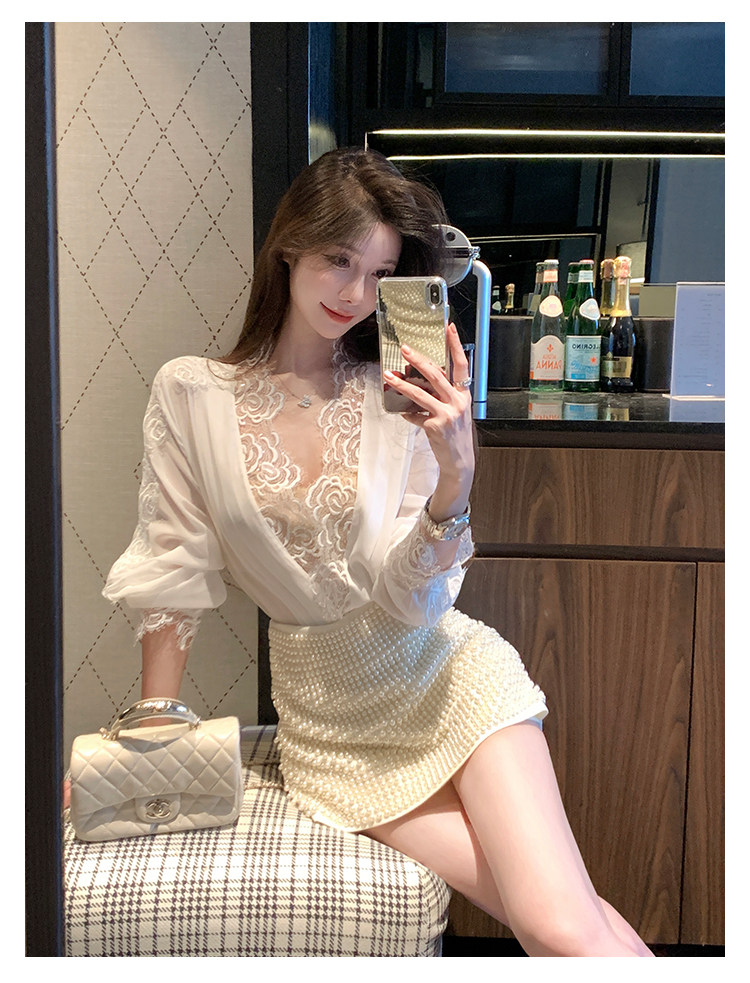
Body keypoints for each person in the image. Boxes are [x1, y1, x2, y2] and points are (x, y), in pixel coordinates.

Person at [102, 147, 653, 957]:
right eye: (339, 259)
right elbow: (170, 569)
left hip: (449, 679)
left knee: (556, 923)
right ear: (290, 245)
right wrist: (153, 736)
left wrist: (456, 476)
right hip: (331, 731)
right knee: (574, 920)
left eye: (381, 273)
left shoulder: (394, 397)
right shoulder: (190, 392)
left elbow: (413, 600)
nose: (356, 294)